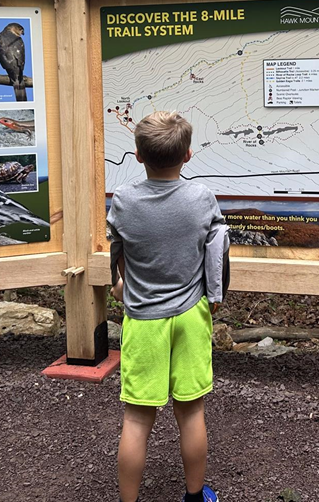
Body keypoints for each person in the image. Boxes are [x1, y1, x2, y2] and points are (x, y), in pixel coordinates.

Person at [108, 111, 228, 502]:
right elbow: (212, 247)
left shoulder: (124, 201)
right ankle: (195, 496)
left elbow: (120, 251)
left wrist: (122, 286)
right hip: (192, 316)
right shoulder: (201, 198)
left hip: (143, 320)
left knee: (137, 420)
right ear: (188, 155)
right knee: (191, 413)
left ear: (138, 156)